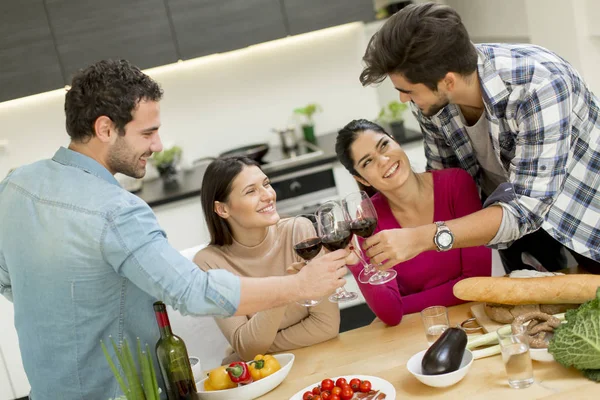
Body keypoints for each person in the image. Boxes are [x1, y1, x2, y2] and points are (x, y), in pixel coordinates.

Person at [0, 59, 349, 400]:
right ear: (105, 129)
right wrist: (299, 285)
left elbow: (6, 280)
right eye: (148, 133)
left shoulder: (15, 186)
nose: (157, 146)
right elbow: (192, 292)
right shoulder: (116, 210)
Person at [358, 3, 600, 273]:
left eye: (407, 90)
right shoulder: (431, 98)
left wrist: (422, 238)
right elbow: (447, 180)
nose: (403, 98)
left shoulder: (539, 86)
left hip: (586, 221)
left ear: (448, 82)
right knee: (534, 312)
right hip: (513, 227)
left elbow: (525, 210)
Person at [336, 119, 491, 326]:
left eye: (384, 145)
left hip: (474, 320)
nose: (383, 160)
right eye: (367, 162)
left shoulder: (456, 184)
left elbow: (477, 282)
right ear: (362, 179)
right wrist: (356, 264)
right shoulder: (368, 219)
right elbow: (391, 313)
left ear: (395, 141)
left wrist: (404, 304)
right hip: (418, 331)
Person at [193, 157, 341, 363]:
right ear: (222, 209)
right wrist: (287, 289)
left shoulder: (299, 231)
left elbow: (327, 325)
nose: (268, 195)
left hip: (317, 360)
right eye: (251, 191)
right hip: (266, 376)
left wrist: (248, 351)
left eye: (266, 184)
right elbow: (247, 348)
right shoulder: (209, 264)